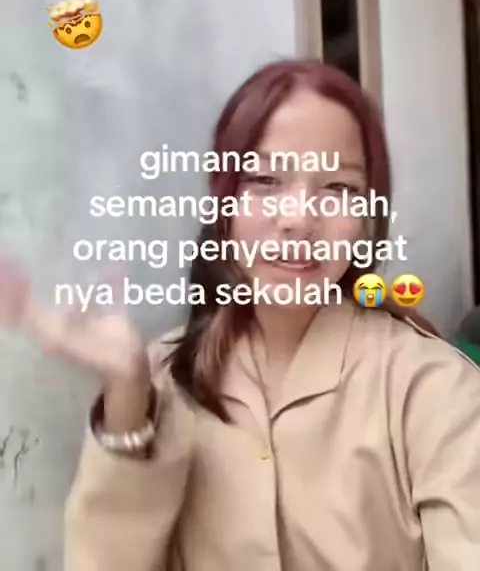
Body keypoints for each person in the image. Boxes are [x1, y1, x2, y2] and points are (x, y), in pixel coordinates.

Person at [1, 59, 479, 570]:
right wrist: (126, 405)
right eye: (265, 180)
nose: (298, 218)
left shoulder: (433, 390)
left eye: (339, 188)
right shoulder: (162, 380)